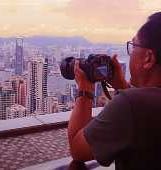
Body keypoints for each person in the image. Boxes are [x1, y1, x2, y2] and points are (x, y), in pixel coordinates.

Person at [68, 12, 161, 170]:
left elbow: (77, 150)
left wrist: (85, 90)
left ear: (149, 58)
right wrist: (121, 85)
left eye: (133, 46)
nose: (130, 53)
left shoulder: (130, 105)